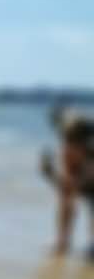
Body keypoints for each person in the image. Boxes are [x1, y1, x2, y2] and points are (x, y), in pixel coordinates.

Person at [40, 108, 94, 258]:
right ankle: (63, 243)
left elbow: (77, 184)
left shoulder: (88, 152)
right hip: (86, 182)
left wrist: (51, 174)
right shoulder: (68, 151)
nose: (66, 146)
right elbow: (68, 188)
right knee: (66, 199)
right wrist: (50, 174)